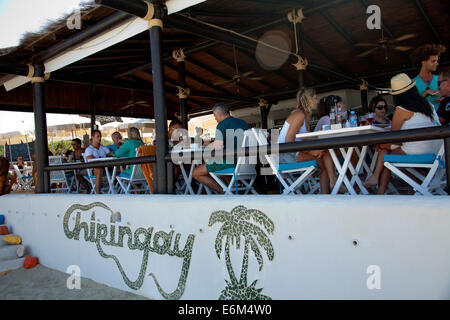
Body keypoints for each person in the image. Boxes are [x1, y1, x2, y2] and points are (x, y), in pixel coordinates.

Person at [364, 73, 441, 194]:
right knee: (387, 152)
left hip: (418, 150)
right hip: (436, 151)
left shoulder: (401, 110)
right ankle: (378, 184)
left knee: (386, 156)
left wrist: (382, 145)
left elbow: (394, 139)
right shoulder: (428, 105)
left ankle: (378, 185)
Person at [277, 88, 340, 194]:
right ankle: (333, 184)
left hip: (293, 152)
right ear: (308, 100)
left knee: (325, 153)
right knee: (324, 158)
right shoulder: (299, 115)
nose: (317, 101)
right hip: (286, 155)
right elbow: (288, 141)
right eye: (314, 98)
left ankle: (330, 189)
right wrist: (310, 151)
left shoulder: (305, 115)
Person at [193, 103, 248, 194]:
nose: (215, 119)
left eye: (215, 116)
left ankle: (224, 192)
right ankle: (231, 191)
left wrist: (208, 145)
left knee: (196, 172)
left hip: (231, 162)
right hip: (245, 163)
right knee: (219, 166)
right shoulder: (243, 123)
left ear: (218, 114)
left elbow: (218, 146)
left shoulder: (222, 124)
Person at [411, 44, 446, 111]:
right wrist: (425, 93)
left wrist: (444, 98)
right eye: (433, 61)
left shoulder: (441, 79)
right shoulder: (412, 83)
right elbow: (410, 105)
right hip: (424, 120)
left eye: (437, 61)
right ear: (423, 62)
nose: (437, 63)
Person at [85, 130, 113, 194]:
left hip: (106, 167)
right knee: (99, 170)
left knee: (121, 169)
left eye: (100, 136)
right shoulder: (89, 149)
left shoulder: (104, 148)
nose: (100, 138)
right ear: (93, 137)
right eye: (98, 136)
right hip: (95, 168)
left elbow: (111, 156)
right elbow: (91, 160)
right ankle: (98, 193)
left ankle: (120, 189)